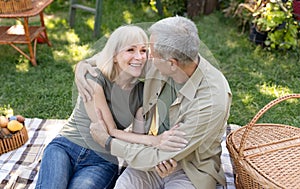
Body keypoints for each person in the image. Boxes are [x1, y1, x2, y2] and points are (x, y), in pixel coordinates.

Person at [76, 16, 232, 189]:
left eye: (150, 53)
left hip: (191, 170)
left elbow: (164, 155)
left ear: (172, 64)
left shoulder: (211, 101)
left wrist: (108, 142)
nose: (145, 57)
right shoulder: (166, 60)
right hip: (148, 156)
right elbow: (120, 57)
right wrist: (83, 65)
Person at [35, 25, 186, 189]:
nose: (139, 57)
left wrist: (154, 151)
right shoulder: (94, 77)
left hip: (102, 160)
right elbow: (108, 131)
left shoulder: (143, 92)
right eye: (130, 50)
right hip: (66, 146)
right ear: (114, 56)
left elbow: (137, 136)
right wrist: (156, 140)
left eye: (143, 51)